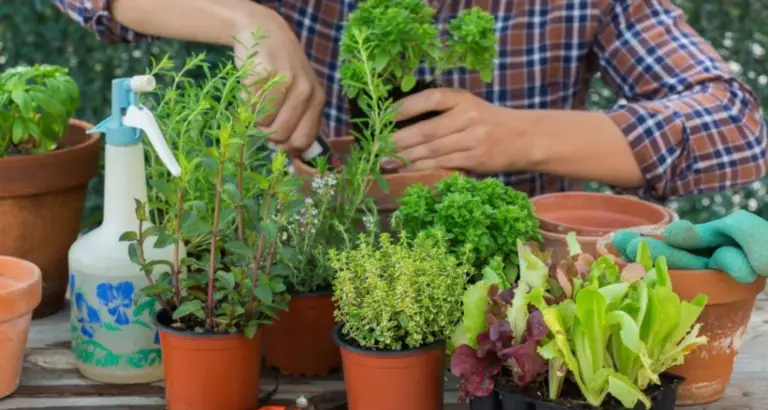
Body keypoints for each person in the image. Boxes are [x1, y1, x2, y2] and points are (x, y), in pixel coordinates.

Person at [53, 0, 767, 200]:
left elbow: (736, 124)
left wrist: (517, 137)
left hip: (516, 304)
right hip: (305, 275)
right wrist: (243, 18)